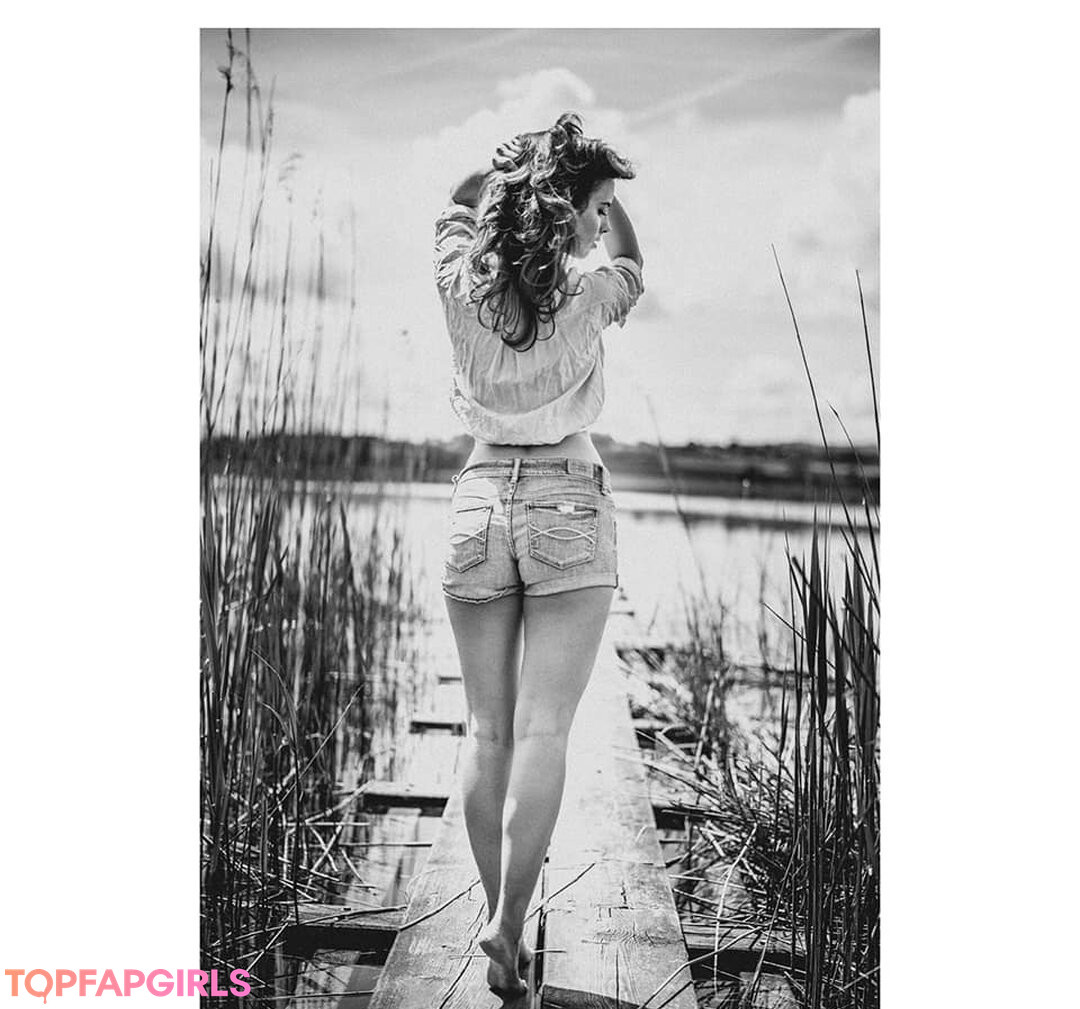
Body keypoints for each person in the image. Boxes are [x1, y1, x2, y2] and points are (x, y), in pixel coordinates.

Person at [432, 112, 643, 996]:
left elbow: (455, 205)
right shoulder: (590, 294)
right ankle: (510, 923)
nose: (600, 221)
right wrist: (602, 206)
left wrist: (519, 175)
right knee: (545, 728)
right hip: (567, 498)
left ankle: (497, 917)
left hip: (479, 500)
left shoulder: (460, 283)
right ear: (572, 210)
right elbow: (633, 266)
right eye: (595, 206)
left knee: (487, 729)